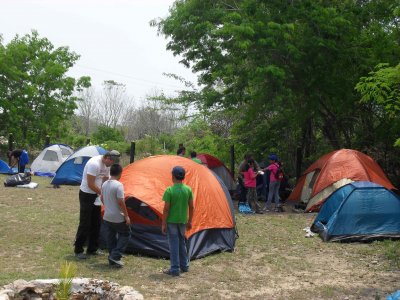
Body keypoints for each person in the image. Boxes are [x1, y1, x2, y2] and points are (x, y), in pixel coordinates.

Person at [74, 150, 121, 259]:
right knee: (85, 222)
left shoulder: (107, 165)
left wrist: (105, 191)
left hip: (97, 194)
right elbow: (90, 184)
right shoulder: (94, 164)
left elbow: (104, 180)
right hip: (87, 194)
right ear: (107, 158)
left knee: (96, 222)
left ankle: (92, 249)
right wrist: (102, 193)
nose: (111, 166)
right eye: (112, 162)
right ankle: (78, 249)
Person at [162, 166, 194, 276]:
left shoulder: (169, 190)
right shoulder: (188, 189)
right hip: (183, 221)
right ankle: (184, 266)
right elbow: (191, 207)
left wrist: (163, 223)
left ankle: (175, 269)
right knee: (182, 243)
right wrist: (190, 221)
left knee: (174, 245)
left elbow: (166, 209)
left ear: (173, 176)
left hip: (171, 222)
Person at [101, 163, 131, 268]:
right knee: (126, 234)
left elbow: (101, 199)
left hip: (107, 216)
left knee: (111, 237)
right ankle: (115, 255)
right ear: (120, 173)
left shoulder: (104, 184)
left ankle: (112, 258)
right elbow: (121, 202)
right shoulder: (118, 185)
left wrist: (108, 207)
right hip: (117, 217)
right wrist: (126, 216)